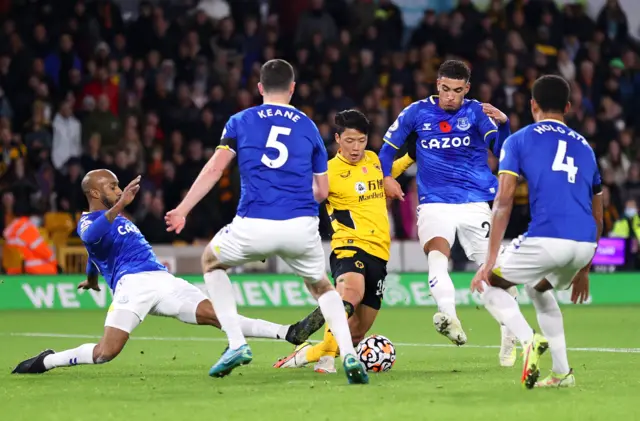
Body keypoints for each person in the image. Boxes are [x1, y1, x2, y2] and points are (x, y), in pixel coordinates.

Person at [164, 59, 368, 384]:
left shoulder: (240, 120)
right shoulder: (308, 125)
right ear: (292, 88)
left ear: (260, 88)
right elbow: (323, 190)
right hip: (301, 226)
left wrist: (183, 209)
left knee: (211, 263)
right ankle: (348, 355)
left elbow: (216, 168)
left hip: (254, 223)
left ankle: (236, 344)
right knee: (323, 287)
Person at [12, 170, 294, 375]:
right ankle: (48, 361)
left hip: (164, 281)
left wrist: (91, 277)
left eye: (118, 186)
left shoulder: (116, 218)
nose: (119, 191)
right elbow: (92, 237)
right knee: (104, 353)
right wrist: (121, 205)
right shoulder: (88, 221)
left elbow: (94, 252)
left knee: (220, 316)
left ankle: (287, 332)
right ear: (95, 193)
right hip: (132, 286)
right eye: (112, 187)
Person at [378, 60, 518, 366]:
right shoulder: (416, 112)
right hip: (435, 201)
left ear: (466, 89)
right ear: (437, 85)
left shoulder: (478, 112)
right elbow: (386, 150)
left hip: (475, 201)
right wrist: (387, 176)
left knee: (496, 273)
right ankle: (450, 317)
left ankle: (509, 331)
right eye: (445, 89)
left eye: (457, 90)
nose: (450, 96)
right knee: (437, 257)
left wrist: (504, 123)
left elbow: (502, 149)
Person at [470, 74, 603, 389]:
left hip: (547, 236)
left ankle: (528, 341)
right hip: (584, 243)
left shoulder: (519, 139)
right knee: (538, 289)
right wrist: (585, 267)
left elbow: (502, 203)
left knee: (487, 285)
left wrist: (488, 262)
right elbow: (598, 213)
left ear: (533, 105)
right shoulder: (586, 148)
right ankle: (562, 373)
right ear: (568, 107)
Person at [274, 109, 407, 374]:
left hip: (379, 254)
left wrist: (410, 153)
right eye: (349, 141)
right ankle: (327, 360)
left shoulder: (375, 161)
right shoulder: (328, 171)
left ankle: (307, 354)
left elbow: (400, 163)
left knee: (356, 333)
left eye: (360, 140)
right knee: (350, 295)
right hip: (349, 246)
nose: (356, 147)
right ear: (337, 139)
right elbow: (301, 196)